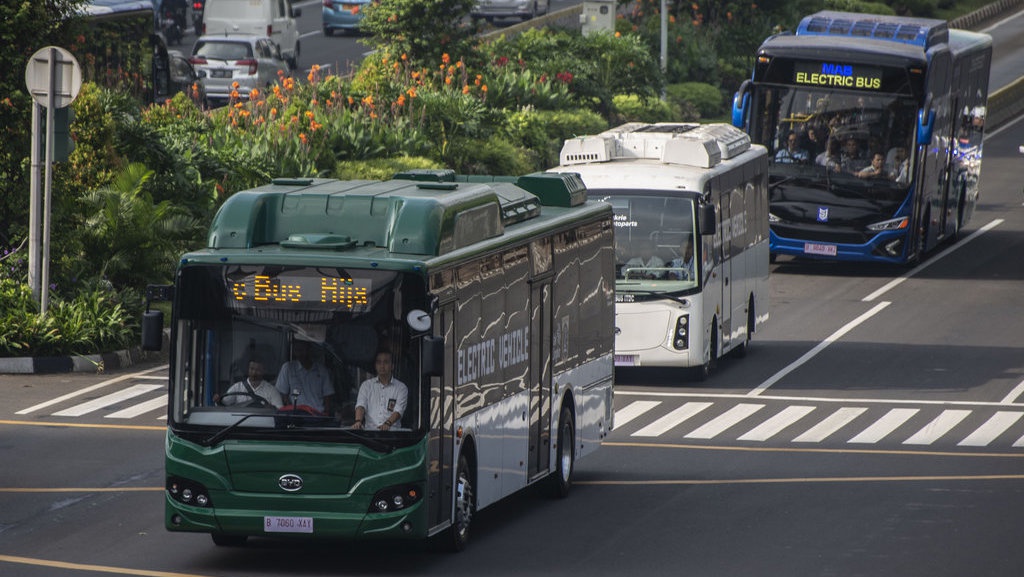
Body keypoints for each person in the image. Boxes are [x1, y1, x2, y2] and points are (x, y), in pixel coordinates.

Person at [275, 339, 334, 415]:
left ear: (309, 350)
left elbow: (327, 395)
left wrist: (326, 413)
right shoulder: (288, 368)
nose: (300, 353)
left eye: (303, 350)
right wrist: (290, 410)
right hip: (296, 414)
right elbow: (283, 394)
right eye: (297, 350)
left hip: (317, 414)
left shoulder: (322, 370)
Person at [353, 350, 408, 430]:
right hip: (369, 434)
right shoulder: (366, 385)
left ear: (392, 366)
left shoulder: (401, 387)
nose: (382, 366)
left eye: (385, 362)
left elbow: (399, 410)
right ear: (375, 366)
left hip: (393, 435)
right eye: (379, 362)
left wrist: (387, 424)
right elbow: (361, 405)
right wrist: (358, 421)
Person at [215, 359, 283, 408]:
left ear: (263, 371)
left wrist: (270, 408)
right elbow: (224, 404)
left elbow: (280, 410)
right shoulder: (237, 387)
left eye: (258, 370)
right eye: (252, 369)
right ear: (248, 369)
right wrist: (218, 400)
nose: (254, 373)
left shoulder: (271, 390)